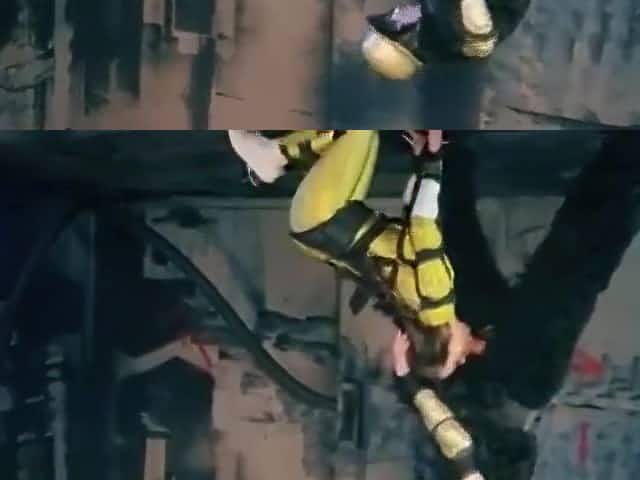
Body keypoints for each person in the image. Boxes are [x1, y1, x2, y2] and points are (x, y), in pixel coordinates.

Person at [228, 129, 488, 479]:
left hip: (324, 217)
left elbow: (422, 222)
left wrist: (432, 162)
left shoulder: (437, 298)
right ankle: (273, 163)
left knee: (358, 128)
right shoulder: (415, 308)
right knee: (362, 139)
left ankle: (273, 158)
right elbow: (412, 224)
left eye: (457, 358)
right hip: (327, 224)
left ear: (444, 341)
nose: (466, 354)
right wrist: (421, 162)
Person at [390, 131, 640, 476]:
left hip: (477, 372)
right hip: (521, 374)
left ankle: (443, 155)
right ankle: (626, 161)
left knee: (455, 258)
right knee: (572, 265)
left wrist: (408, 380)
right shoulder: (519, 389)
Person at [361, 0, 531, 80]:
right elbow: (479, 35)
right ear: (408, 42)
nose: (396, 13)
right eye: (396, 27)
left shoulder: (423, 20)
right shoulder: (464, 35)